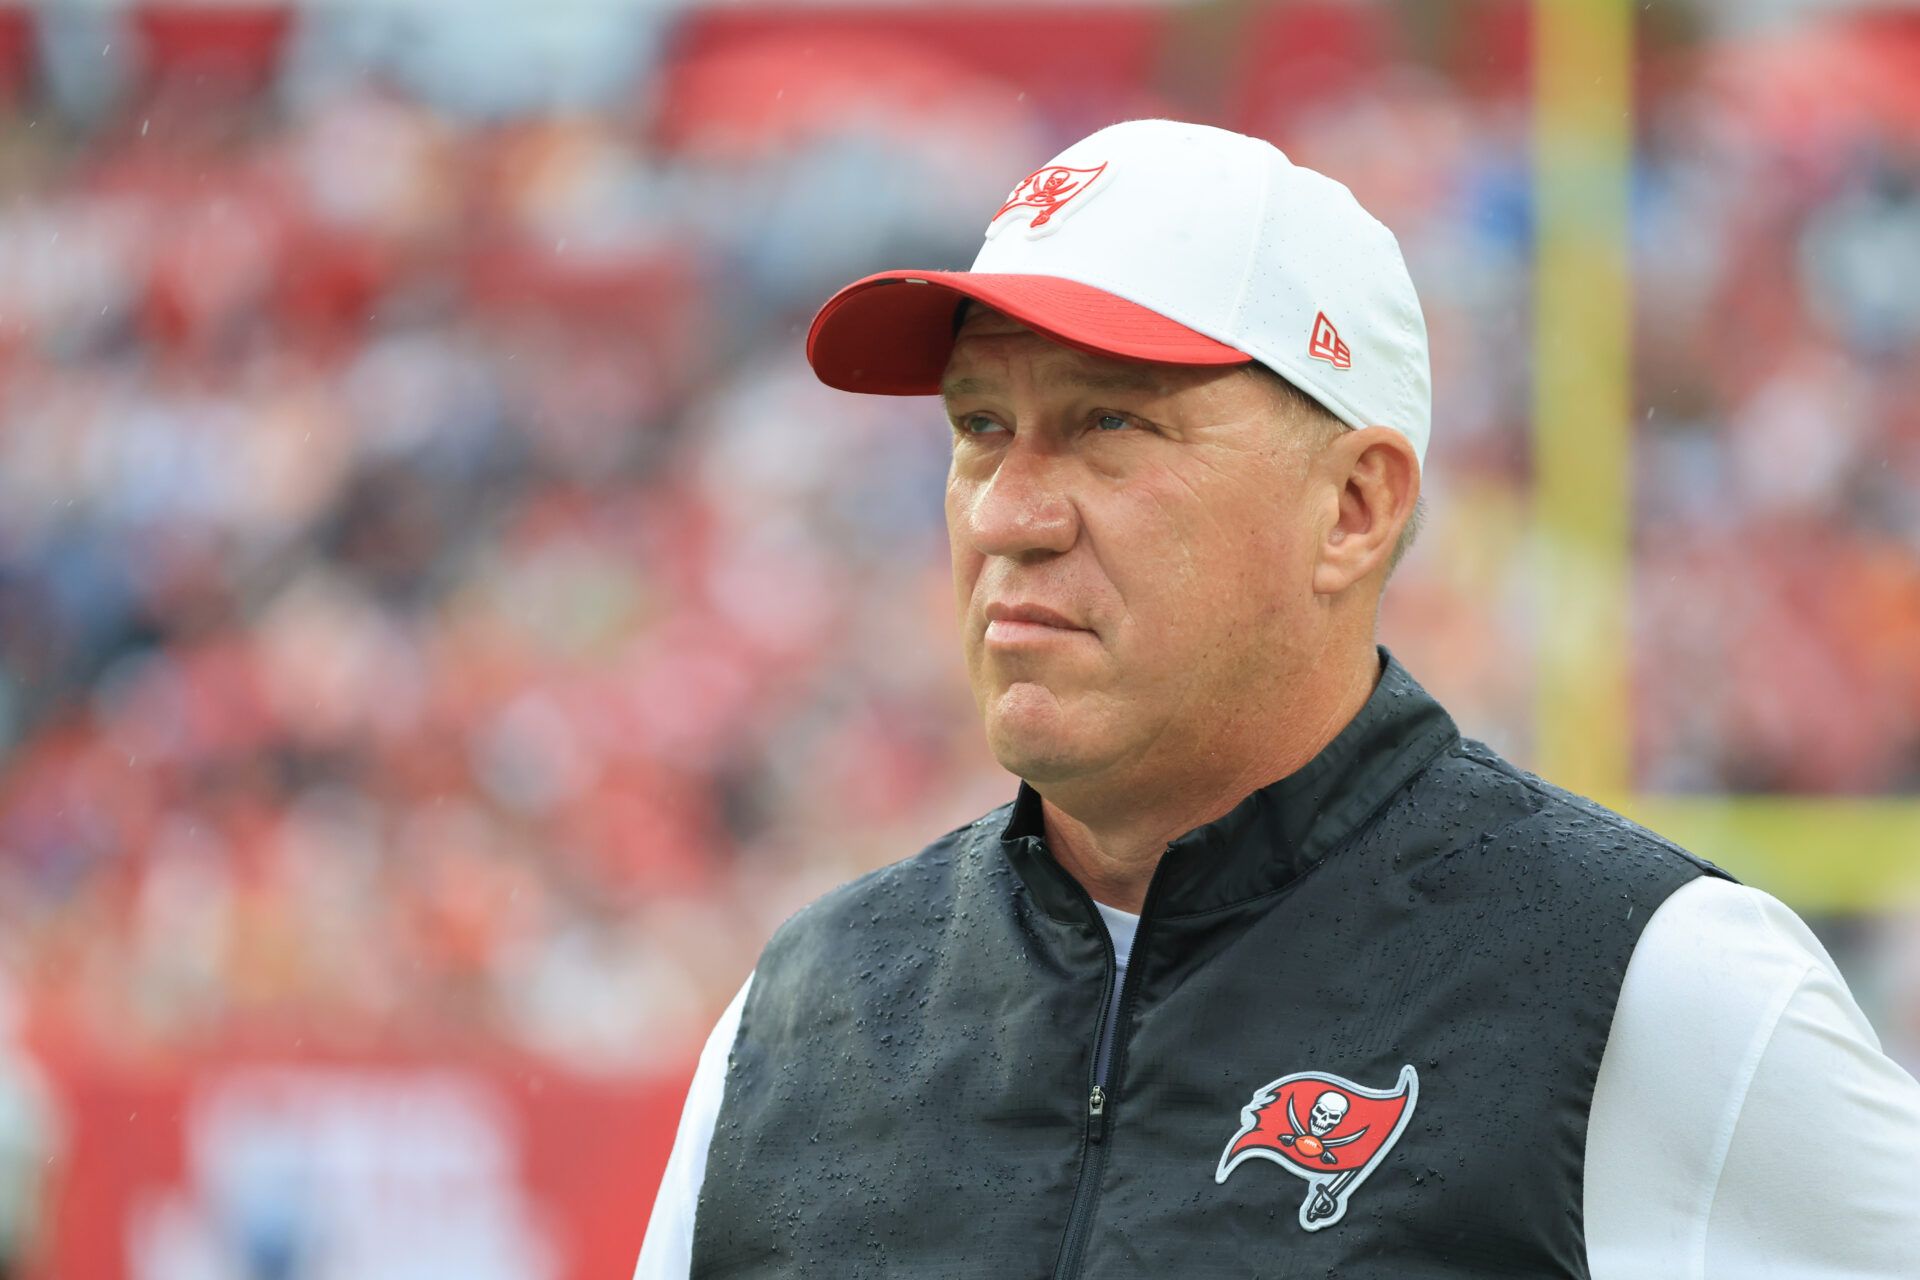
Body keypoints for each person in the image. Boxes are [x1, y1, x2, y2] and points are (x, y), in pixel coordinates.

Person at [636, 119, 1920, 1278]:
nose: (1009, 512)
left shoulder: (1655, 982)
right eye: (979, 426)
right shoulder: (800, 1018)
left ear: (1353, 506)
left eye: (1108, 424)